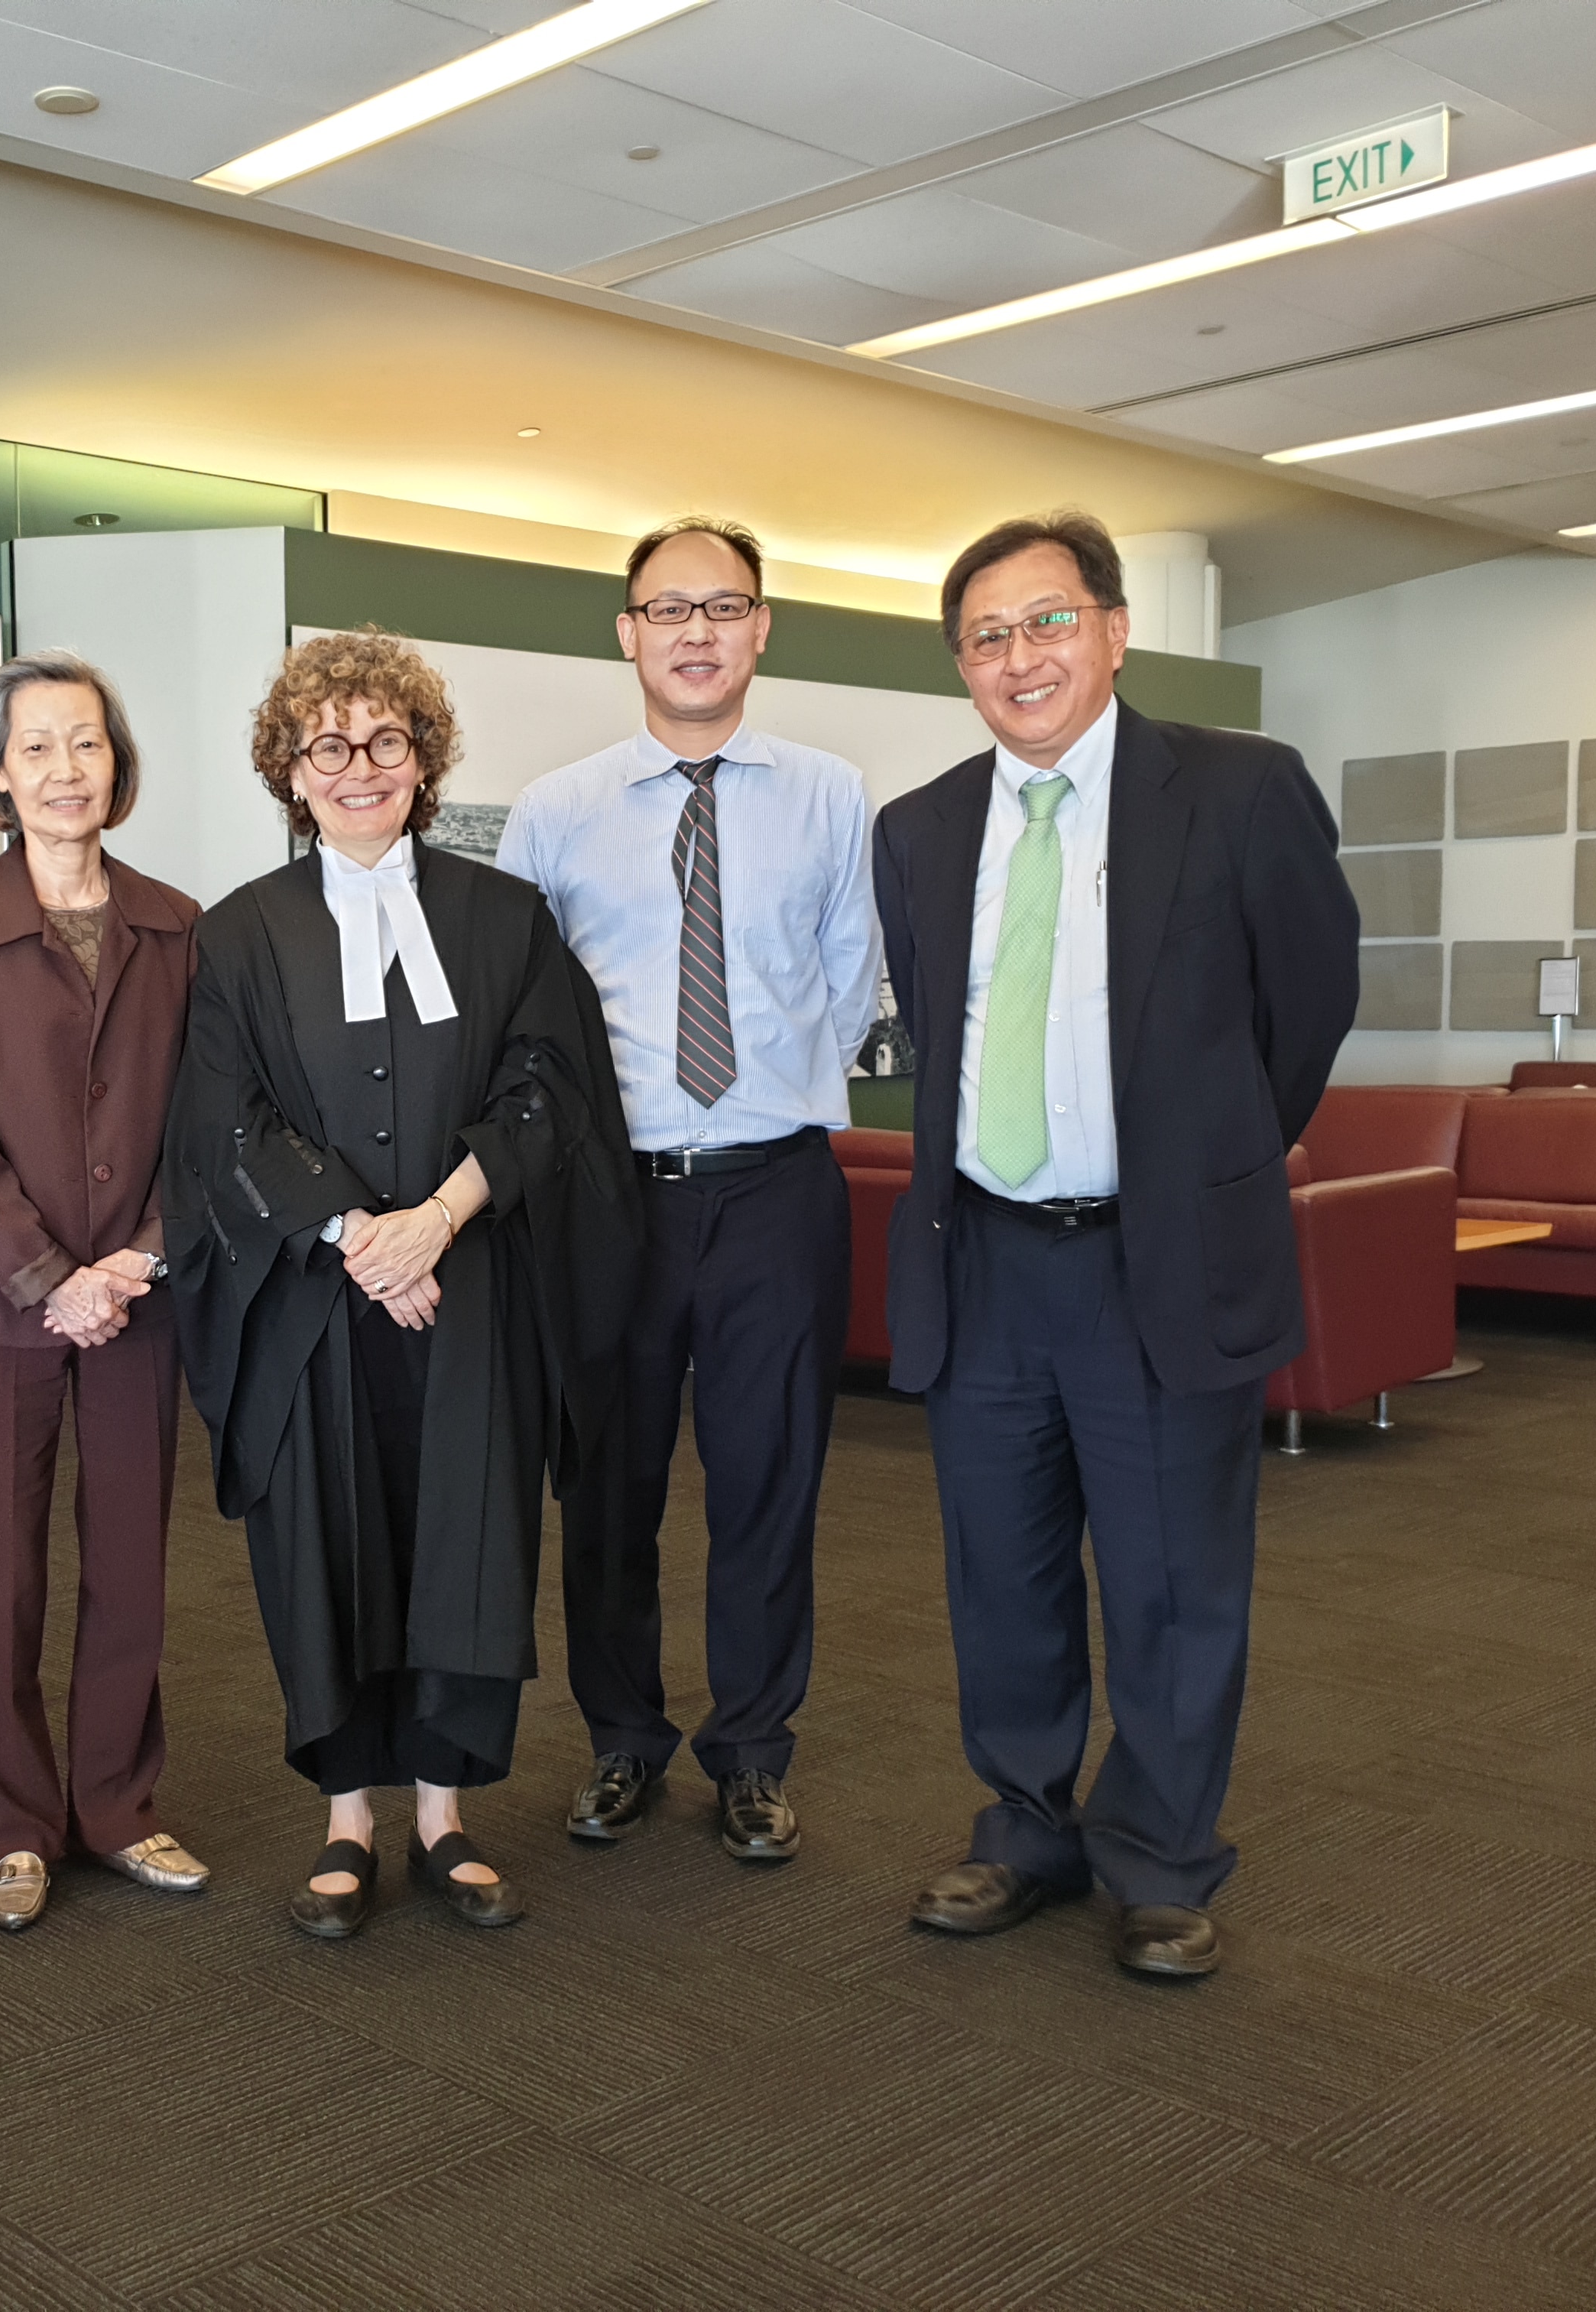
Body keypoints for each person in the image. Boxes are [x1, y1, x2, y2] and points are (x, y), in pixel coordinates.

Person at [872, 511, 1357, 1979]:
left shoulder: (1239, 789)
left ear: (1114, 628)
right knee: (1001, 1574)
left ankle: (1158, 1852)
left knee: (1169, 1577)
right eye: (989, 637)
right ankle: (1025, 1826)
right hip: (985, 1263)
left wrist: (1197, 1168)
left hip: (1156, 1263)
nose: (1022, 658)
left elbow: (1306, 1011)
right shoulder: (923, 829)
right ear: (962, 665)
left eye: (1049, 622)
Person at [167, 631, 637, 1940]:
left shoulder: (505, 919)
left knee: (465, 1542)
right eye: (330, 746)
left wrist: (435, 1220)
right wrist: (357, 1239)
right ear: (292, 770)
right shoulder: (242, 932)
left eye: (386, 741)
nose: (359, 766)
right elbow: (226, 1119)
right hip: (317, 1307)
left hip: (471, 1292)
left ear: (423, 762)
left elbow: (547, 1091)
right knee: (328, 1542)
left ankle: (443, 1813)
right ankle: (347, 1822)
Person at [498, 516, 877, 1867]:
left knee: (770, 1479)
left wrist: (771, 1093)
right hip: (610, 1202)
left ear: (763, 628)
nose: (697, 632)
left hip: (778, 1185)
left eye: (724, 607)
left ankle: (754, 1753)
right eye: (670, 610)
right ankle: (623, 1743)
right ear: (628, 634)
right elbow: (525, 1020)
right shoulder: (558, 810)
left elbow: (846, 983)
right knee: (608, 1482)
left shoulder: (832, 795)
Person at [0, 651, 207, 1934]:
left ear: (117, 769)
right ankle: (13, 1826)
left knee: (131, 1559)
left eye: (86, 745)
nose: (64, 770)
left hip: (141, 1294)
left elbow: (206, 1121)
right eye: (36, 749)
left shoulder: (183, 925)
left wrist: (135, 1258)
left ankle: (120, 1807)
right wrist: (47, 1278)